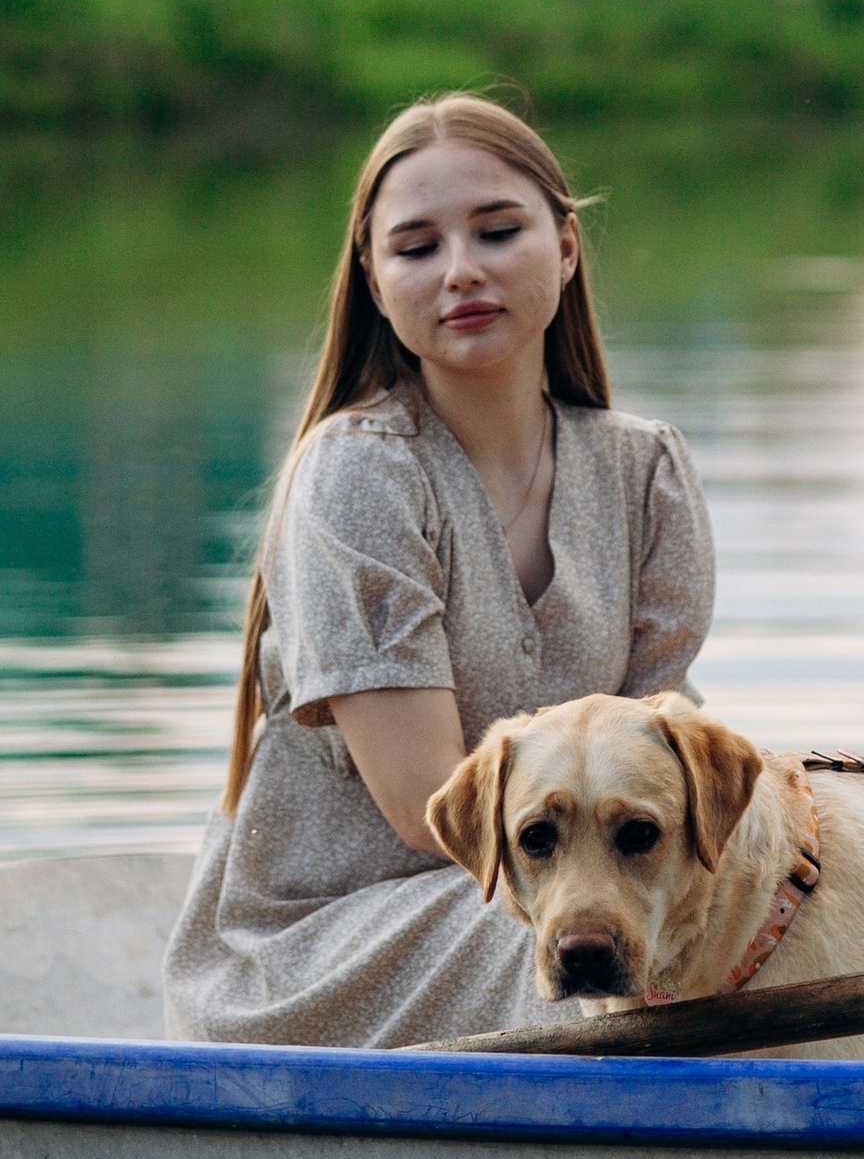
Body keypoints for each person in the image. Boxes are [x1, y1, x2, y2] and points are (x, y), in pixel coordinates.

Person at [164, 92, 715, 1046]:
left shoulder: (644, 472)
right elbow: (434, 812)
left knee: (747, 905)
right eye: (416, 248)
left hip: (538, 913)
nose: (461, 270)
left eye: (498, 231)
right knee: (594, 945)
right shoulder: (358, 474)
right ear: (375, 282)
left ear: (568, 246)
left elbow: (668, 770)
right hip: (322, 953)